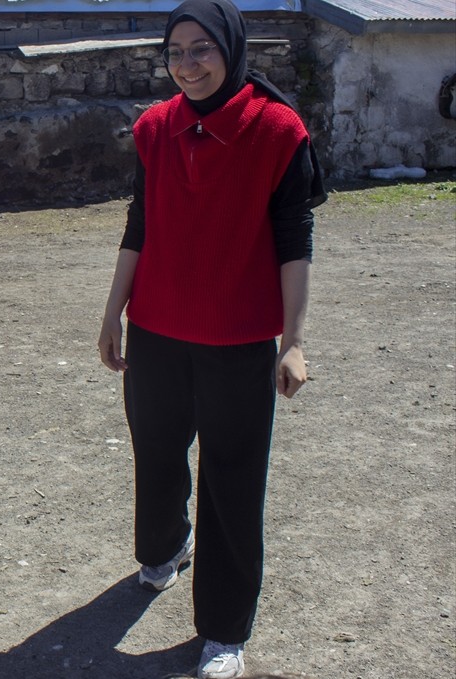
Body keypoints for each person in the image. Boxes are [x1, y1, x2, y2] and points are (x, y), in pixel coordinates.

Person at [96, 1, 326, 678]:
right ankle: (166, 544)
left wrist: (294, 339)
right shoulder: (154, 128)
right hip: (159, 327)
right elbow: (140, 224)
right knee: (157, 450)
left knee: (233, 474)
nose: (188, 64)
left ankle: (225, 628)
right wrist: (112, 312)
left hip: (239, 334)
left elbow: (295, 241)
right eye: (176, 51)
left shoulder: (277, 130)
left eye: (202, 49)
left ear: (230, 48)